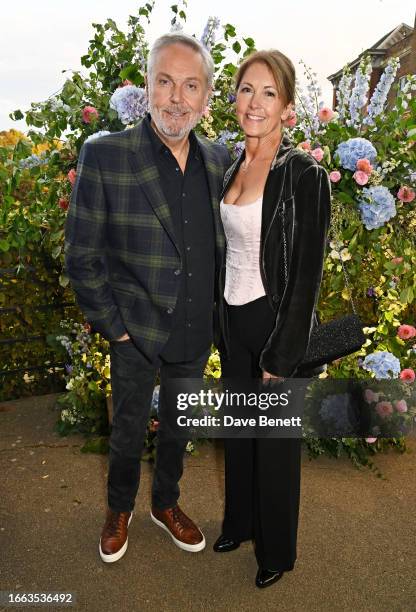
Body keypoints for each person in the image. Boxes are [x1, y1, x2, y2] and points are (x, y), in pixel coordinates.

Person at [65, 32, 230, 563]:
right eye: (165, 82)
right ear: (148, 87)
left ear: (206, 97)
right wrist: (114, 326)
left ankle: (166, 503)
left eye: (190, 85)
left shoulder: (221, 161)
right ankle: (119, 509)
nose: (176, 97)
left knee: (181, 427)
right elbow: (82, 255)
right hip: (133, 330)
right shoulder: (106, 155)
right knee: (129, 427)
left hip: (195, 329)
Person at [213, 50, 331, 588]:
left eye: (267, 93)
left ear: (286, 106)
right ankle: (238, 522)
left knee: (276, 447)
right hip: (231, 319)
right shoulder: (230, 164)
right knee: (238, 434)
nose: (254, 103)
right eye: (245, 90)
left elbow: (307, 275)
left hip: (273, 320)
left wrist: (282, 353)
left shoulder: (304, 174)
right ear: (234, 98)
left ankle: (276, 552)